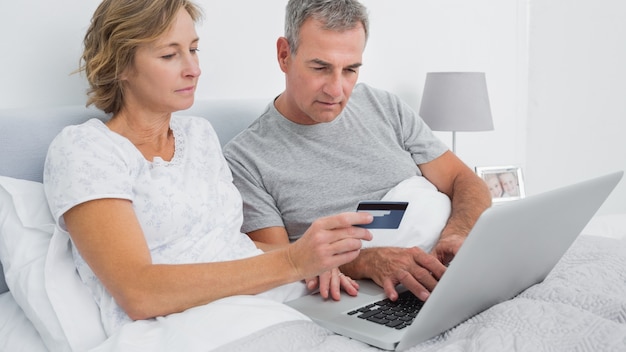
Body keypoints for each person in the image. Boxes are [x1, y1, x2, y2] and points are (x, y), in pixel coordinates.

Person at [42, 0, 374, 336]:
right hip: (191, 328)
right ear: (121, 65)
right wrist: (290, 263)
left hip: (270, 305)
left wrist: (310, 259)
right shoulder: (86, 150)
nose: (193, 69)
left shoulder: (199, 135)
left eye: (194, 49)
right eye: (170, 55)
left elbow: (230, 247)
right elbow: (139, 292)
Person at [223, 0, 492, 303]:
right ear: (285, 55)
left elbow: (465, 181)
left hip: (461, 270)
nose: (337, 90)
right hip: (383, 297)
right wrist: (367, 261)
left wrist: (457, 233)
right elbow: (283, 263)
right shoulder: (245, 160)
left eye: (350, 70)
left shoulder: (383, 106)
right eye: (321, 68)